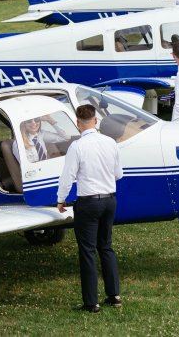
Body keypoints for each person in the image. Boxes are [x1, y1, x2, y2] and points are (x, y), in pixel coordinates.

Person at [57, 104, 123, 313]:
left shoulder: (77, 147)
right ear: (96, 121)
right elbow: (118, 174)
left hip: (88, 202)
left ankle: (91, 302)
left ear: (78, 124)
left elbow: (68, 176)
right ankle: (114, 295)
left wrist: (61, 199)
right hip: (109, 200)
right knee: (106, 246)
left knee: (87, 251)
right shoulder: (110, 142)